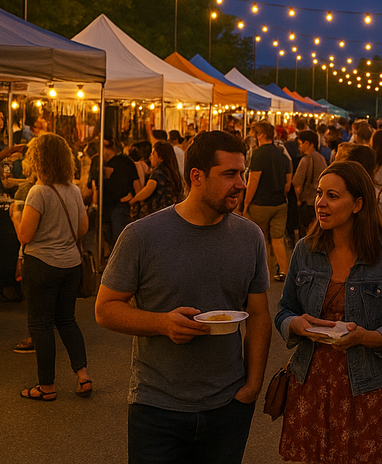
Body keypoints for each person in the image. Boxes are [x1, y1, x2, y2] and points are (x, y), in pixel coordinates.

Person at [95, 131, 272, 464]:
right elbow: (105, 310)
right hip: (157, 407)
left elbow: (259, 314)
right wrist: (162, 323)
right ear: (197, 177)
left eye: (242, 173)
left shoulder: (250, 236)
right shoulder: (142, 235)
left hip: (228, 406)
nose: (241, 184)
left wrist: (252, 386)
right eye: (230, 174)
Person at [276, 161, 382, 463]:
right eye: (318, 194)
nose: (320, 203)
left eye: (332, 195)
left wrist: (369, 338)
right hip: (310, 384)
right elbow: (284, 311)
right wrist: (295, 324)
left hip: (367, 390)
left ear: (358, 204)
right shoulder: (305, 249)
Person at [10, 133, 93, 402]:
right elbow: (83, 229)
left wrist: (15, 215)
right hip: (71, 264)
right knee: (66, 320)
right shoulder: (74, 190)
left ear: (38, 159)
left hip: (42, 264)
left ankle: (47, 386)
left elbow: (25, 236)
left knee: (41, 324)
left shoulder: (38, 192)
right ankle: (83, 376)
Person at [244, 121, 292, 281]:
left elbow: (253, 181)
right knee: (278, 239)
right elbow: (288, 184)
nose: (254, 135)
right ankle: (284, 271)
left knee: (262, 238)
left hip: (261, 203)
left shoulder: (258, 154)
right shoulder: (282, 154)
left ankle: (263, 273)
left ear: (262, 135)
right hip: (280, 203)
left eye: (256, 132)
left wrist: (246, 203)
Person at [100, 135, 140, 253]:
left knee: (116, 242)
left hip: (112, 207)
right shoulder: (128, 162)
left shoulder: (103, 165)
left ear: (107, 149)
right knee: (120, 241)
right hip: (122, 206)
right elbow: (137, 186)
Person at [128, 140, 184, 220]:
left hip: (157, 213)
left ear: (160, 157)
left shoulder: (158, 172)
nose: (150, 157)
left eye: (153, 153)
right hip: (170, 213)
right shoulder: (172, 172)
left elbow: (148, 190)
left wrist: (133, 200)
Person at [292, 129, 327, 238]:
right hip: (319, 201)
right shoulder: (322, 159)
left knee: (305, 233)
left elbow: (297, 182)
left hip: (306, 202)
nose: (299, 147)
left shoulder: (305, 160)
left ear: (307, 143)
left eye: (300, 143)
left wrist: (298, 199)